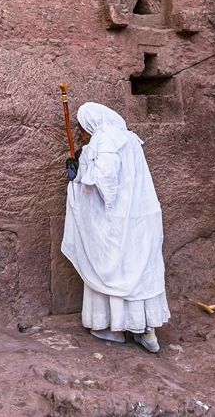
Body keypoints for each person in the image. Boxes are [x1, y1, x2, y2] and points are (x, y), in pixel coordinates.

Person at [61, 102, 169, 353]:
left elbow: (106, 184)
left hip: (117, 222)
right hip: (141, 218)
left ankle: (114, 328)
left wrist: (79, 175)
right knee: (138, 271)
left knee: (113, 269)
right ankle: (145, 330)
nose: (80, 134)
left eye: (81, 128)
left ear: (92, 124)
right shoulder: (129, 139)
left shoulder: (104, 139)